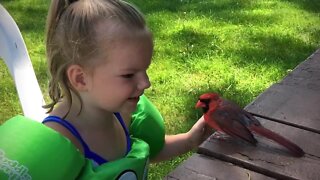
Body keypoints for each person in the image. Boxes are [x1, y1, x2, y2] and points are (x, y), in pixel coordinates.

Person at [31, 0, 210, 179]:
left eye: (144, 70)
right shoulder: (60, 141)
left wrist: (189, 140)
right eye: (129, 75)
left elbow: (138, 160)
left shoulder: (117, 112)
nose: (146, 83)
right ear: (81, 78)